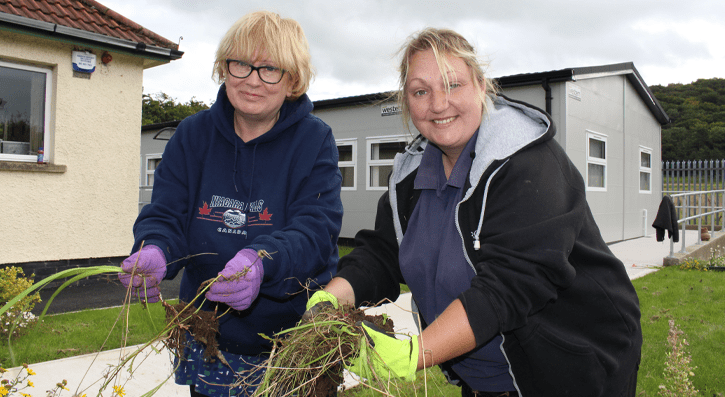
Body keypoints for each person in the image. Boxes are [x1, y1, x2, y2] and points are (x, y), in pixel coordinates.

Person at [306, 28, 642, 396]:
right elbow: (384, 254)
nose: (438, 104)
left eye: (453, 85)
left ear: (482, 86)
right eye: (421, 91)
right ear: (406, 102)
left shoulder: (528, 164)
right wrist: (331, 297)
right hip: (485, 380)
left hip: (569, 369)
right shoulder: (410, 178)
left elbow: (509, 285)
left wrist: (415, 353)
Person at [119, 11, 343, 397]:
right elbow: (167, 213)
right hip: (210, 334)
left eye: (270, 68)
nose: (252, 79)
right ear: (224, 69)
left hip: (289, 338)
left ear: (293, 79)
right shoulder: (193, 135)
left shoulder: (315, 140)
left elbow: (316, 229)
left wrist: (262, 261)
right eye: (240, 64)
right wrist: (155, 247)